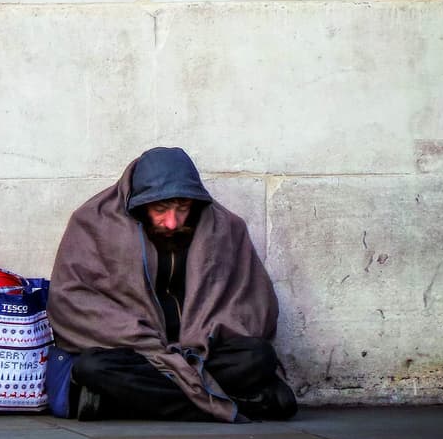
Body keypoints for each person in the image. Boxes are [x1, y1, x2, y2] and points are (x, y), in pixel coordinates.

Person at [47, 147, 297, 422]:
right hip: (137, 353)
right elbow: (71, 301)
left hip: (202, 356)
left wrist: (206, 333)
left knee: (258, 357)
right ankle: (232, 406)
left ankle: (123, 405)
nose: (172, 222)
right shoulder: (92, 223)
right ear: (138, 203)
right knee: (92, 367)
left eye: (183, 208)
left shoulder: (226, 228)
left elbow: (253, 303)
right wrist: (139, 337)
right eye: (160, 209)